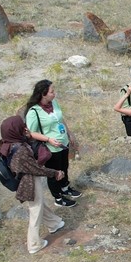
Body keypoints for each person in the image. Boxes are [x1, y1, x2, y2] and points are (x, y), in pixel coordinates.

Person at [0, 115, 66, 255]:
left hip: (21, 178)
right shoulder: (20, 151)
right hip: (29, 180)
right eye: (21, 126)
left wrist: (28, 137)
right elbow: (37, 168)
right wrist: (55, 173)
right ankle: (34, 244)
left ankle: (54, 223)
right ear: (16, 130)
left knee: (38, 203)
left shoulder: (6, 143)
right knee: (35, 210)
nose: (25, 128)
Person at [24, 79, 80, 207]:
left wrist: (69, 133)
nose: (54, 93)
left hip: (63, 143)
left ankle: (65, 188)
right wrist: (48, 139)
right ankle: (58, 197)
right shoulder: (34, 112)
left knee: (64, 166)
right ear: (43, 94)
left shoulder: (54, 103)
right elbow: (31, 133)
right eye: (52, 91)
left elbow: (60, 119)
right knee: (54, 173)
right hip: (50, 148)